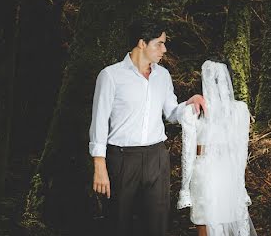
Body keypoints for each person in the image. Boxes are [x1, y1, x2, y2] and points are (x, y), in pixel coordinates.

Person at [89, 19, 207, 236]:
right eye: (159, 43)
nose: (165, 49)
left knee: (157, 223)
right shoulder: (110, 76)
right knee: (117, 222)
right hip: (122, 159)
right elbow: (98, 123)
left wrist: (190, 103)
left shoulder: (162, 75)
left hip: (157, 157)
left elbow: (172, 113)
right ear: (142, 43)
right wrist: (99, 166)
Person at [177, 59, 256, 236]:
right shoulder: (240, 110)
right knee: (219, 217)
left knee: (205, 218)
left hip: (205, 172)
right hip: (227, 172)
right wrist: (239, 181)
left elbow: (189, 153)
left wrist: (185, 189)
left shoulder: (194, 111)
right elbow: (241, 152)